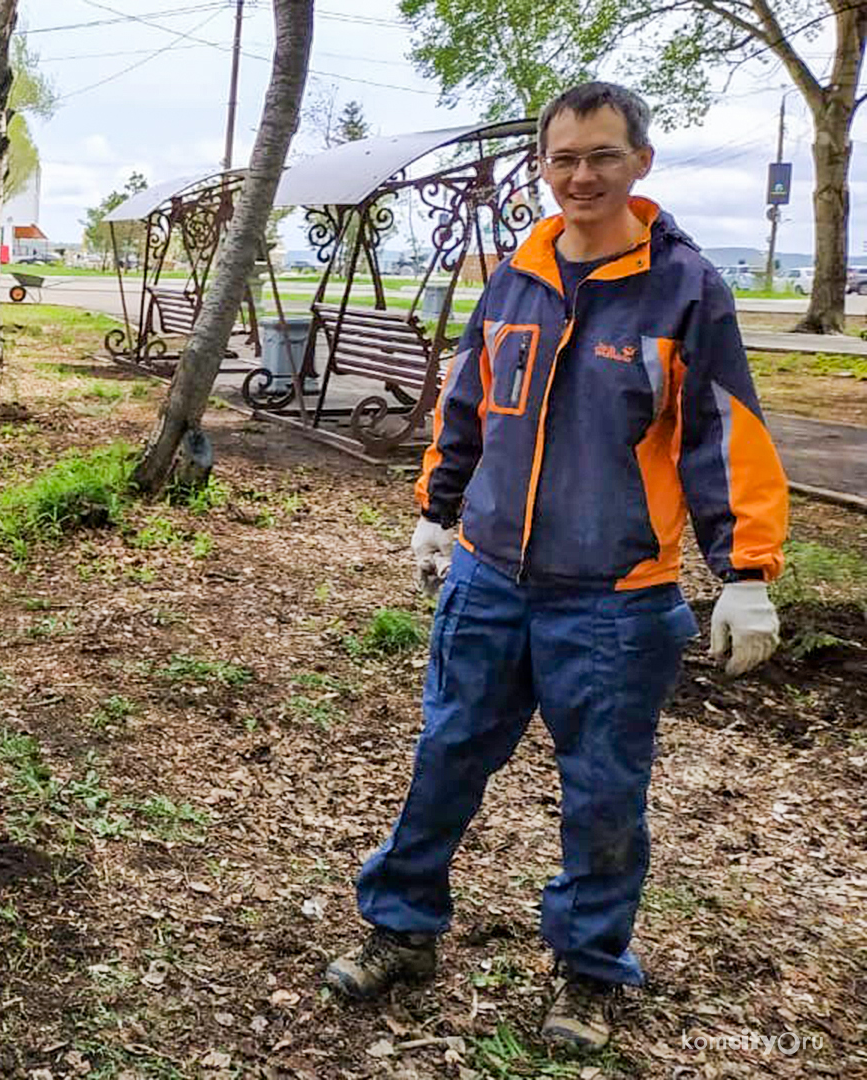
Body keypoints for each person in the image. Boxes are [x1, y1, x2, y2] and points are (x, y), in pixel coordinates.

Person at [322, 82, 789, 1051]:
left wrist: (743, 570)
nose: (582, 176)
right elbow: (466, 405)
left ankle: (587, 971)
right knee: (446, 758)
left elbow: (720, 430)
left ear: (640, 164)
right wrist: (436, 512)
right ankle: (402, 929)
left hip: (617, 600)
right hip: (490, 580)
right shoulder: (513, 277)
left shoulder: (686, 289)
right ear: (544, 164)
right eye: (564, 158)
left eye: (603, 157)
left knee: (604, 792)